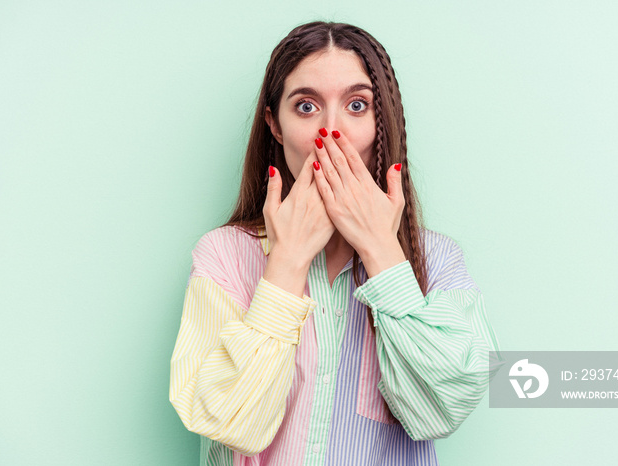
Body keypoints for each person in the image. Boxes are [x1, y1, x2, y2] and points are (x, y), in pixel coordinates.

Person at [169, 21, 501, 466]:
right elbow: (228, 424)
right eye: (306, 106)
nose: (332, 132)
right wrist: (286, 262)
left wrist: (382, 252)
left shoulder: (436, 261)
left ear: (383, 122)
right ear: (276, 125)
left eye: (357, 105)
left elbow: (444, 408)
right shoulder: (224, 256)